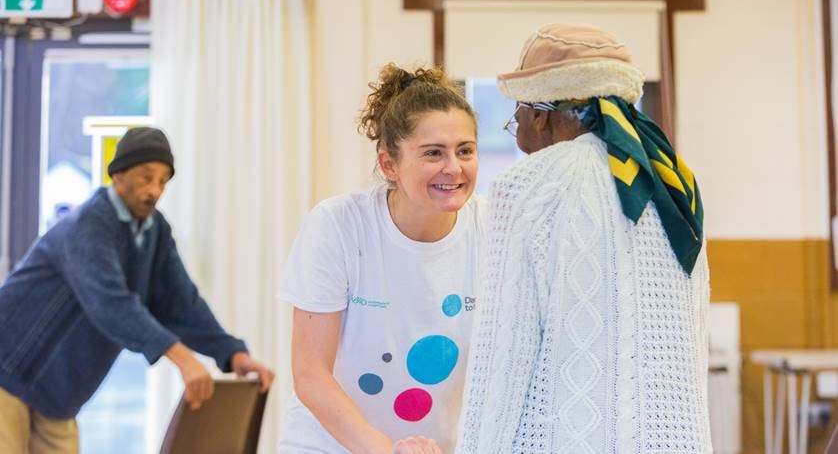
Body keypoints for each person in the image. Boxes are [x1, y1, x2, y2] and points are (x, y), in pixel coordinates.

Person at [455, 24, 711, 454]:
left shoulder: (528, 186)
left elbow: (504, 358)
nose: (515, 123)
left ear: (539, 113)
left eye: (516, 110)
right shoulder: (672, 185)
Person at [0, 127, 275, 454]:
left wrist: (233, 354)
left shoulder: (155, 231)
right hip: (7, 374)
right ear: (118, 175)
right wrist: (182, 358)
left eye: (162, 181)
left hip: (59, 397)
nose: (154, 190)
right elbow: (110, 303)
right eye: (146, 178)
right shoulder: (88, 224)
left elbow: (181, 303)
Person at [279, 65, 483, 454]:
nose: (453, 168)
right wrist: (386, 450)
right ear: (389, 164)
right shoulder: (338, 225)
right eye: (433, 153)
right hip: (330, 446)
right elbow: (310, 373)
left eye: (465, 151)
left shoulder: (494, 228)